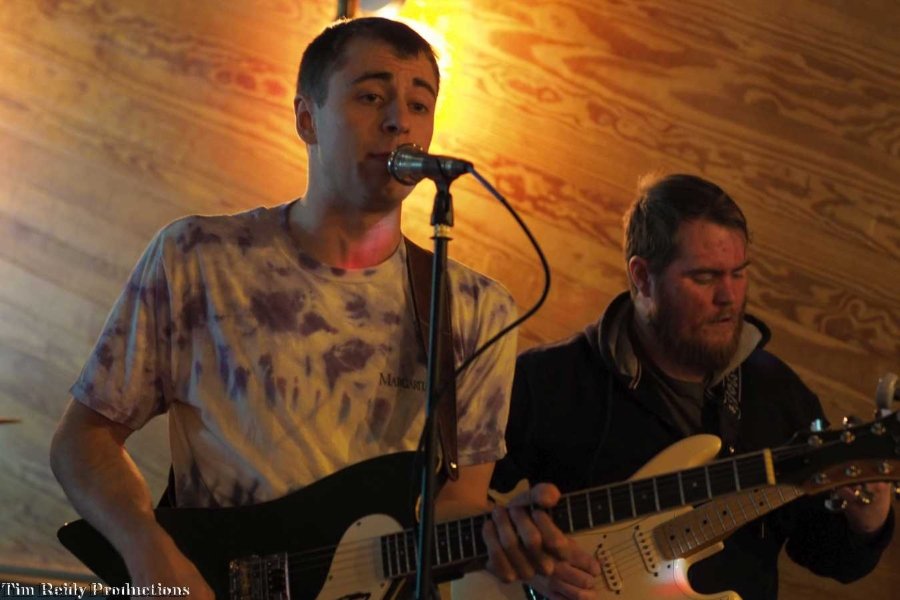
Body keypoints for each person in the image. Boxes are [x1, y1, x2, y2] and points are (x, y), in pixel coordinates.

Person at [50, 17, 596, 599]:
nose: (399, 121)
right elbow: (84, 439)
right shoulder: (199, 257)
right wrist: (149, 552)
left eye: (419, 104)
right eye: (371, 96)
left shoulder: (475, 309)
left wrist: (507, 538)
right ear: (306, 118)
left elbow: (456, 502)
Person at [491, 174, 894, 600]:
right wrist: (522, 562)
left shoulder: (776, 391)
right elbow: (455, 514)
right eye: (705, 277)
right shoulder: (547, 380)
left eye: (739, 273)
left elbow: (825, 553)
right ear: (642, 277)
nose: (729, 297)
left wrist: (868, 520)